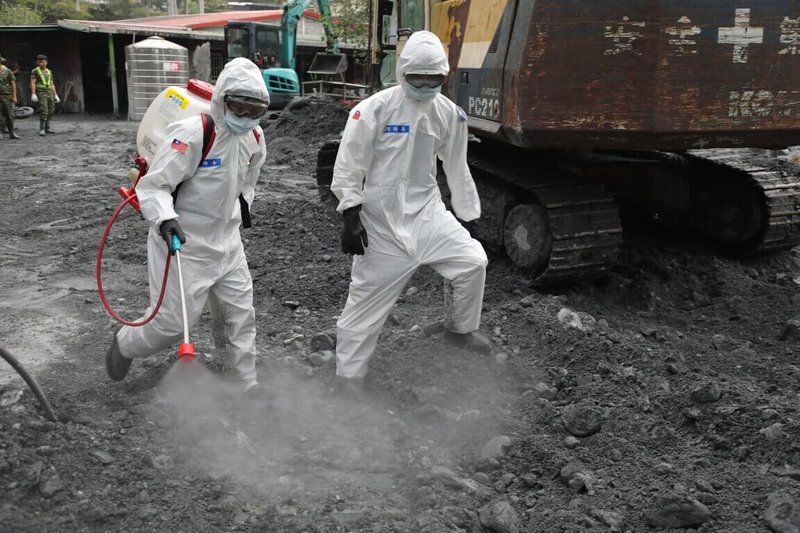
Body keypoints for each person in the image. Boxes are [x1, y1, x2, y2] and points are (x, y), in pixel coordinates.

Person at [330, 30, 491, 391]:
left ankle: (460, 329)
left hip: (427, 214)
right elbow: (349, 164)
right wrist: (350, 214)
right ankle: (348, 379)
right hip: (381, 221)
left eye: (432, 79)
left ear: (443, 76)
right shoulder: (373, 110)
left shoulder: (450, 115)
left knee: (472, 262)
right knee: (366, 303)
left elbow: (457, 167)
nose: (423, 85)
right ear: (402, 73)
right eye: (416, 77)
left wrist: (467, 216)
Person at [105, 58, 270, 396]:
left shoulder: (254, 136)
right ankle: (125, 344)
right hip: (182, 242)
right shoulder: (195, 132)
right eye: (238, 106)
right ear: (222, 99)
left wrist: (237, 216)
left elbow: (248, 183)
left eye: (255, 110)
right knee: (170, 323)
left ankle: (246, 382)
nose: (246, 116)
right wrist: (165, 218)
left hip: (227, 242)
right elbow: (153, 186)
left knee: (241, 313)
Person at [30, 54, 59, 136]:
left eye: (42, 62)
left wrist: (55, 95)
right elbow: (33, 82)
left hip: (49, 92)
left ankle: (47, 127)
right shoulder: (35, 71)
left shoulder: (49, 71)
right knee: (44, 110)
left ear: (46, 62)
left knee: (51, 109)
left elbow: (52, 83)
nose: (40, 64)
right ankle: (42, 129)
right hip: (41, 92)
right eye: (39, 62)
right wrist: (33, 93)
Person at [0, 56, 21, 140]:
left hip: (7, 96)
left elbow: (13, 84)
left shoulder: (7, 71)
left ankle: (12, 133)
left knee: (10, 115)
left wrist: (14, 96)